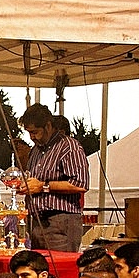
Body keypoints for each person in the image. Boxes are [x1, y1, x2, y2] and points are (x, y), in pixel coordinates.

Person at [20, 104, 88, 252]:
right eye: (29, 132)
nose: (32, 137)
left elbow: (80, 184)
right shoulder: (35, 151)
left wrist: (43, 186)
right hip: (37, 222)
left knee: (59, 265)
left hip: (60, 221)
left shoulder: (69, 147)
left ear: (48, 126)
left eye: (35, 132)